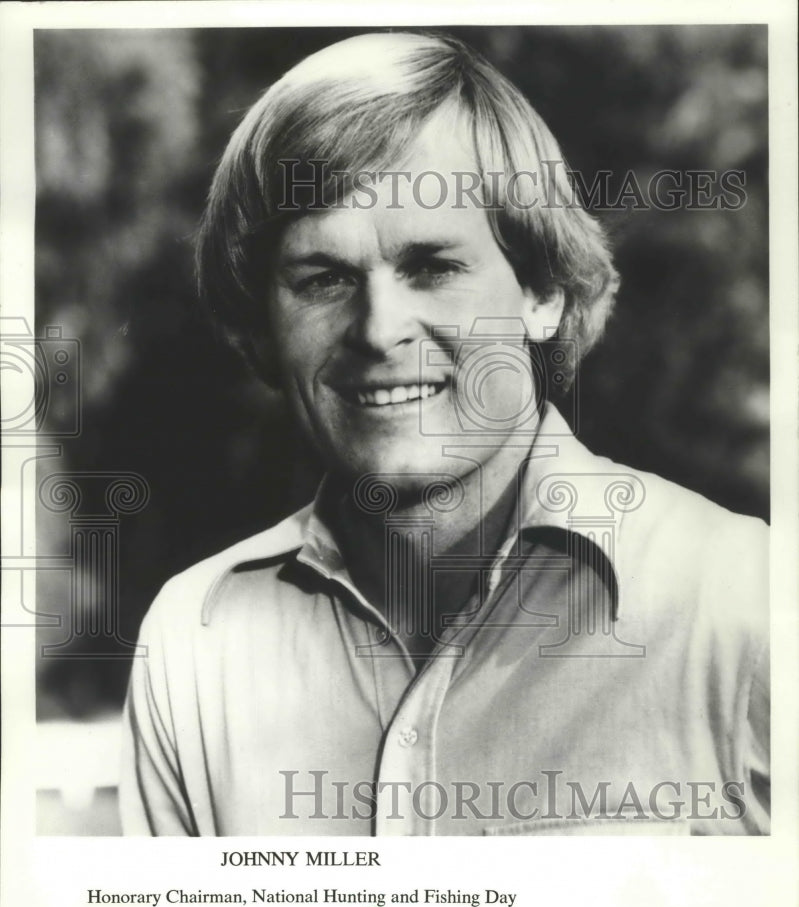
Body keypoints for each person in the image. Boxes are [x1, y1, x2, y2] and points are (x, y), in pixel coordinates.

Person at [120, 31, 769, 836]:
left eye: (432, 267)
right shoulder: (197, 643)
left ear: (543, 293)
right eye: (322, 280)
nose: (378, 329)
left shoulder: (744, 601)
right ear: (259, 331)